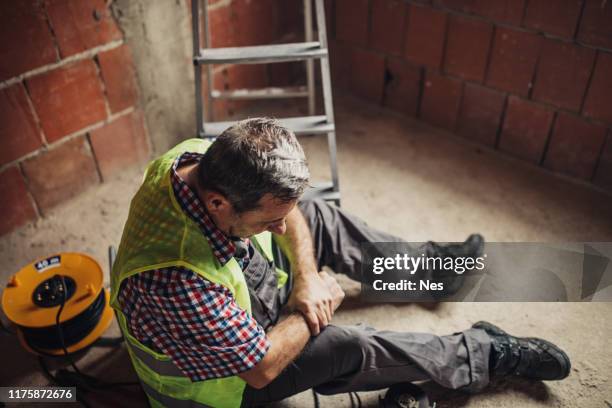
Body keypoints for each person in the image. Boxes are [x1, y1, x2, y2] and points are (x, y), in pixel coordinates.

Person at [110, 118, 571, 408]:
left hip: (234, 293)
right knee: (346, 344)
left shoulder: (199, 157)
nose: (279, 227)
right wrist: (310, 306)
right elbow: (261, 367)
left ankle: (429, 272)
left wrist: (307, 278)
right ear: (217, 204)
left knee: (317, 217)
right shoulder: (172, 281)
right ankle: (485, 351)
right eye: (269, 219)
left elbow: (290, 217)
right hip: (226, 385)